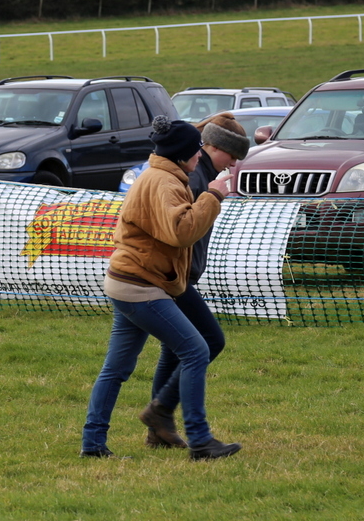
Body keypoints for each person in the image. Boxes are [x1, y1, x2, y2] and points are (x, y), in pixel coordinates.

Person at [81, 115, 241, 460]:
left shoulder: (163, 175)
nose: (200, 156)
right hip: (143, 285)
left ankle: (93, 445)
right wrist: (214, 195)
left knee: (117, 368)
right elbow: (181, 232)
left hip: (132, 281)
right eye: (196, 151)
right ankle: (200, 441)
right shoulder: (164, 183)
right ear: (183, 154)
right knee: (197, 350)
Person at [142, 112, 250, 449]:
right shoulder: (196, 179)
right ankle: (162, 413)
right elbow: (183, 231)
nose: (232, 165)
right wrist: (214, 197)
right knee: (209, 341)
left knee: (172, 353)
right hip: (174, 277)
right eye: (231, 157)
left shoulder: (202, 174)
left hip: (174, 276)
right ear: (212, 147)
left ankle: (158, 431)